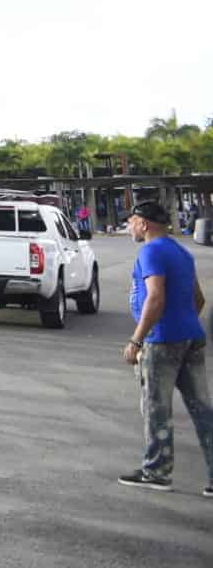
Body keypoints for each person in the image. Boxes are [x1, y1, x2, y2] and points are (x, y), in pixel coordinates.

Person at [118, 200, 213, 495]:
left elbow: (155, 297)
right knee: (202, 409)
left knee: (157, 408)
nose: (129, 227)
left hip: (161, 341)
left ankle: (157, 471)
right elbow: (198, 299)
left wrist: (137, 339)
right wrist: (182, 326)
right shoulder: (180, 251)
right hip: (191, 336)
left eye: (131, 221)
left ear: (144, 224)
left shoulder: (151, 251)